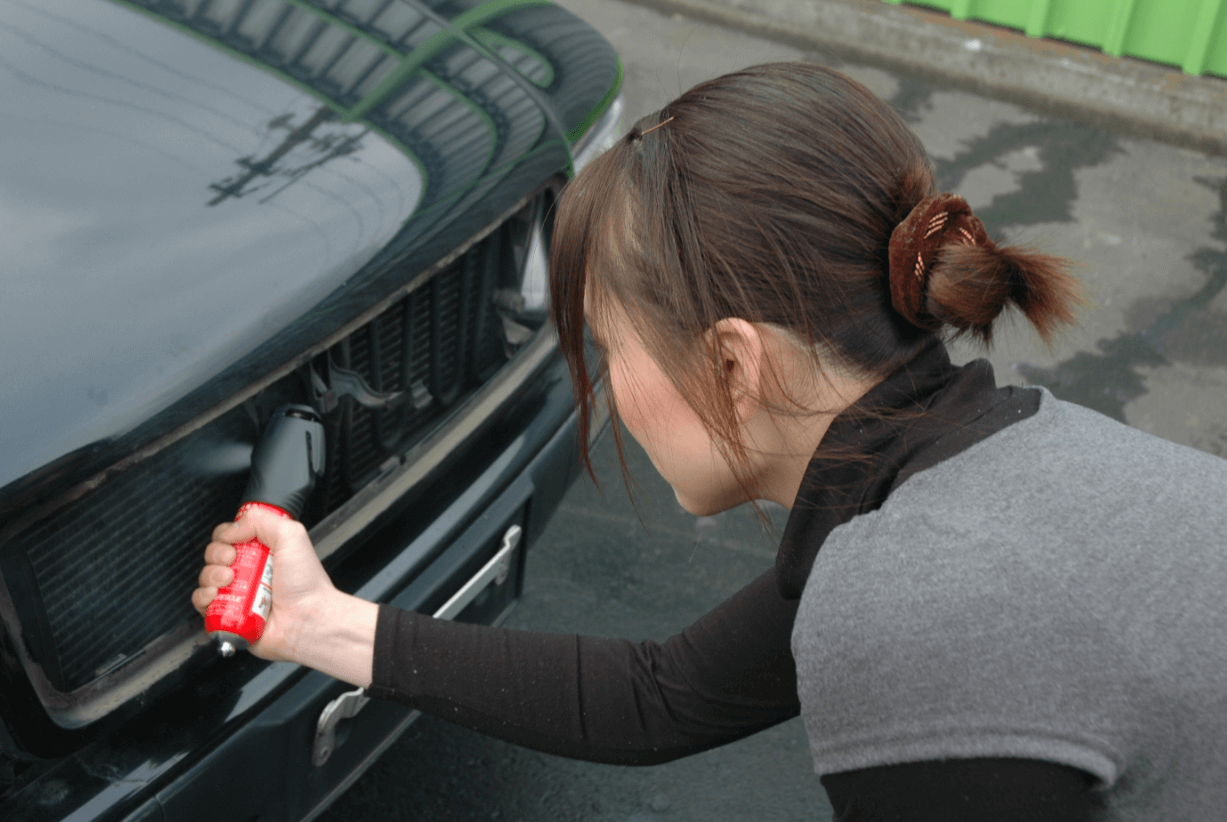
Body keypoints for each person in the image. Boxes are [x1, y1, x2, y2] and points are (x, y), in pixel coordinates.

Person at [193, 63, 1227, 821]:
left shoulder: (915, 598)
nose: (609, 387)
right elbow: (660, 698)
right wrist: (316, 622)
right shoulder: (1017, 467)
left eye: (610, 345)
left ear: (732, 362)